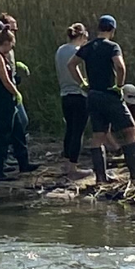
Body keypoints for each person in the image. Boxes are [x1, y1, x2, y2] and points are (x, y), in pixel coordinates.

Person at [70, 15, 135, 180]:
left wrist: (82, 83)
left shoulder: (87, 47)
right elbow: (120, 66)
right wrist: (119, 86)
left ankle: (101, 177)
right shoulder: (112, 46)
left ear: (99, 28)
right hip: (109, 95)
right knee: (131, 131)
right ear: (112, 30)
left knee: (98, 136)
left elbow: (71, 64)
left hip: (93, 95)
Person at [0, 21, 36, 180]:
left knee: (18, 131)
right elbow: (5, 80)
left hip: (8, 100)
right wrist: (16, 92)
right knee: (1, 135)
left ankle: (24, 163)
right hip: (0, 101)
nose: (12, 48)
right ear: (5, 43)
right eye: (11, 45)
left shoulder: (2, 57)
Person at [55, 23, 91, 170]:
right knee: (78, 131)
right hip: (78, 94)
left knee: (70, 129)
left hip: (65, 94)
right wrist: (84, 84)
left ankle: (66, 162)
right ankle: (73, 168)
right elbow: (76, 68)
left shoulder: (60, 50)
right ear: (82, 36)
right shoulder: (78, 51)